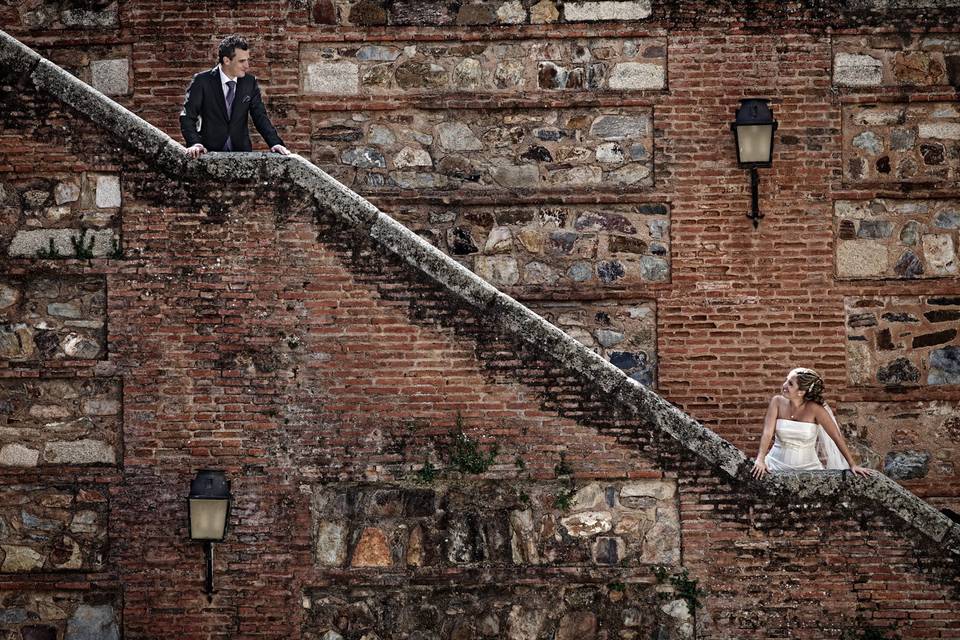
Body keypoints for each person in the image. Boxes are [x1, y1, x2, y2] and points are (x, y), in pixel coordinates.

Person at [179, 35, 290, 158]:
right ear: (227, 60)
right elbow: (188, 116)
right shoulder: (202, 81)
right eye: (242, 61)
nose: (247, 66)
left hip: (241, 152)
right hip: (208, 152)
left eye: (247, 60)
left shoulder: (250, 82)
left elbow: (260, 116)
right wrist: (195, 143)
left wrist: (275, 143)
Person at [752, 367, 871, 478]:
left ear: (801, 392)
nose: (784, 385)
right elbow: (767, 433)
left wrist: (852, 464)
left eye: (790, 384)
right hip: (775, 464)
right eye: (786, 380)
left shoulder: (816, 410)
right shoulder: (777, 402)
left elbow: (836, 437)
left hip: (809, 469)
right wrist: (760, 459)